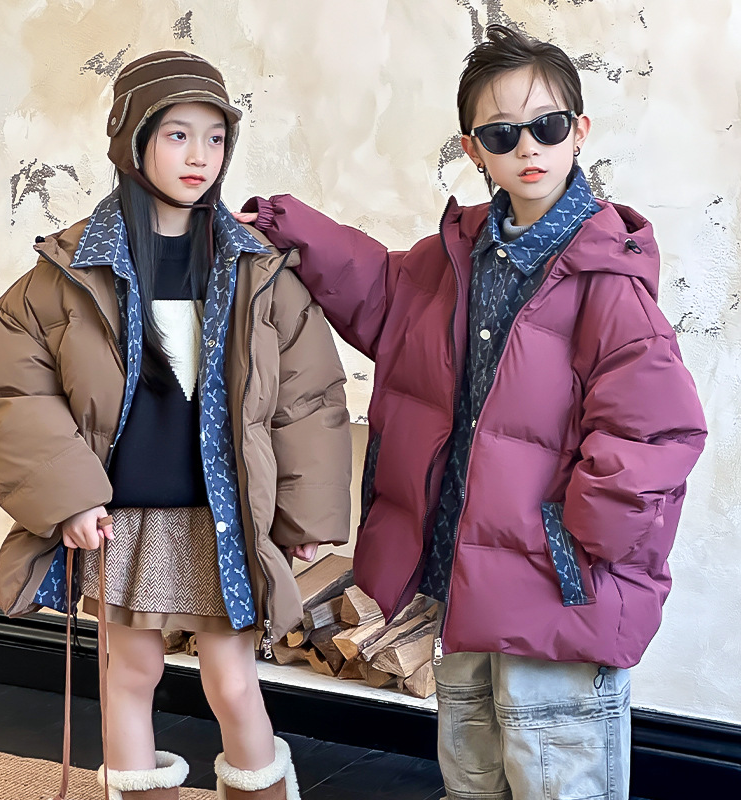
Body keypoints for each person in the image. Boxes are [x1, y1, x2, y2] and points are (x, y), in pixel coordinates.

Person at [235, 25, 707, 800]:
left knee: (557, 772)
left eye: (547, 126)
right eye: (501, 133)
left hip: (557, 589)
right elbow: (378, 291)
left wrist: (579, 545)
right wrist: (288, 223)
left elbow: (656, 430)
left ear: (580, 131)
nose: (529, 147)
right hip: (460, 575)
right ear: (473, 149)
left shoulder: (606, 282)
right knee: (474, 766)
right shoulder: (456, 259)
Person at [0, 51, 352, 800]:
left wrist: (304, 516)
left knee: (233, 678)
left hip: (225, 514)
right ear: (132, 140)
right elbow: (13, 388)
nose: (199, 156)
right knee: (130, 671)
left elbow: (308, 398)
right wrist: (70, 497)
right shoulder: (71, 270)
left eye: (215, 138)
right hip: (124, 517)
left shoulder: (257, 268)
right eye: (178, 135)